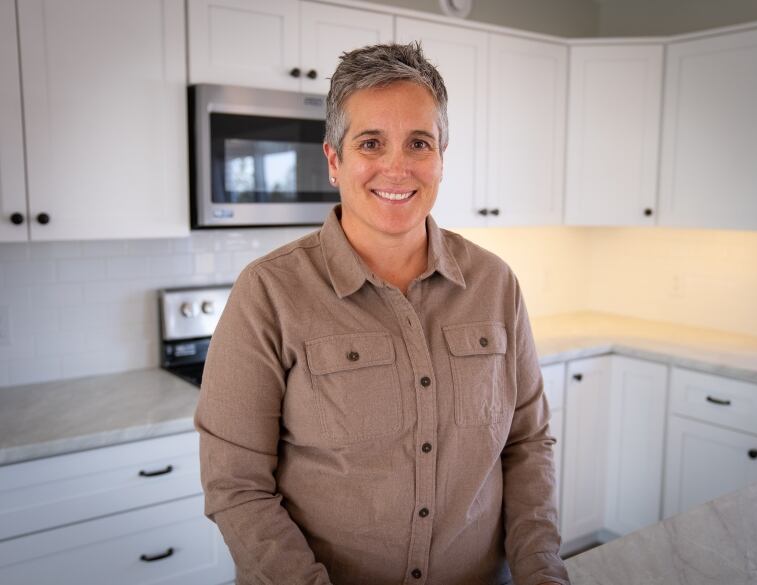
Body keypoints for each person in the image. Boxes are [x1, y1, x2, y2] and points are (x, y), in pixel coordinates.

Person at [195, 42, 569, 585]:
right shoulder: (268, 293)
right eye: (371, 142)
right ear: (334, 160)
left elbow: (527, 445)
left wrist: (542, 573)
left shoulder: (495, 285)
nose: (397, 167)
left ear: (441, 156)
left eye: (419, 142)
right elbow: (237, 486)